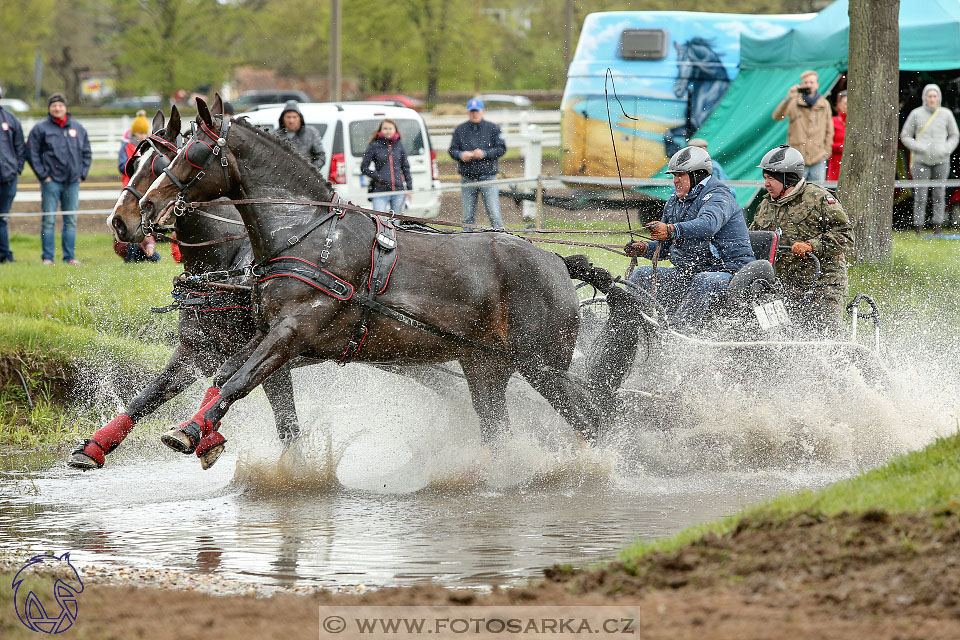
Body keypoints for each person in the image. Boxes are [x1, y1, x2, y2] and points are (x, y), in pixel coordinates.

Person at [623, 145, 755, 329]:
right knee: (642, 275)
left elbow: (708, 225)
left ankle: (678, 334)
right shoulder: (674, 202)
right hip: (690, 274)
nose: (675, 181)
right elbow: (665, 249)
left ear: (697, 175)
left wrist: (670, 229)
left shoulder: (718, 196)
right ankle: (629, 327)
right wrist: (645, 248)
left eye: (680, 175)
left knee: (704, 281)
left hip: (732, 274)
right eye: (674, 176)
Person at [750, 145, 854, 333]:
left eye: (771, 178)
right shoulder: (765, 204)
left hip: (822, 286)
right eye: (765, 178)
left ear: (788, 179)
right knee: (774, 335)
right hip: (780, 287)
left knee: (826, 338)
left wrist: (811, 246)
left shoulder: (819, 198)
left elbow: (845, 235)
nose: (766, 183)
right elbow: (753, 240)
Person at [27, 93, 91, 265]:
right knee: (49, 220)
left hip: (72, 182)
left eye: (60, 105)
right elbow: (31, 154)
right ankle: (48, 257)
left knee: (70, 220)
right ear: (50, 108)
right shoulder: (40, 128)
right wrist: (44, 176)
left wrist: (81, 174)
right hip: (51, 182)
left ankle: (69, 257)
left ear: (65, 107)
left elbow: (86, 152)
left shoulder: (77, 128)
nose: (57, 108)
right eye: (54, 106)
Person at [900, 83, 959, 234]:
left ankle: (937, 226)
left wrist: (946, 149)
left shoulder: (946, 114)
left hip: (941, 160)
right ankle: (918, 226)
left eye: (935, 96)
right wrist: (918, 147)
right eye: (929, 96)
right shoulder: (916, 114)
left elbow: (954, 135)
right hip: (921, 160)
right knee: (921, 194)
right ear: (924, 97)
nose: (932, 99)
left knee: (939, 194)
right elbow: (905, 136)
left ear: (938, 97)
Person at [448, 98, 507, 228]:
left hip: (488, 177)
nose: (475, 114)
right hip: (468, 178)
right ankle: (467, 244)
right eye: (472, 111)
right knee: (467, 217)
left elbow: (501, 148)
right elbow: (452, 150)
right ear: (468, 112)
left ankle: (501, 240)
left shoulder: (493, 128)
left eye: (477, 111)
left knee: (494, 215)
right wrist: (460, 155)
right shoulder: (460, 129)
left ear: (483, 111)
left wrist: (485, 154)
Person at [772, 70, 834, 182]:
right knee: (795, 190)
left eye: (811, 82)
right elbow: (777, 116)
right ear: (801, 85)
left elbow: (829, 130)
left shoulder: (824, 104)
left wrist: (826, 152)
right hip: (797, 157)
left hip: (818, 157)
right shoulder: (793, 102)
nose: (808, 85)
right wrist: (788, 98)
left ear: (817, 85)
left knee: (817, 192)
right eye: (805, 82)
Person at [361, 119, 412, 213]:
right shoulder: (374, 145)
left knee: (396, 222)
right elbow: (364, 167)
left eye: (390, 128)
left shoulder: (399, 145)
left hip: (398, 190)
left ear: (395, 130)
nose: (388, 131)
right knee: (379, 219)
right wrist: (378, 177)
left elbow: (405, 167)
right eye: (385, 128)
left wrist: (409, 188)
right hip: (380, 190)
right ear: (380, 130)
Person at [0, 84, 26, 263]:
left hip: (8, 177)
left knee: (2, 217)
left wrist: (17, 169)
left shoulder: (10, 119)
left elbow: (20, 147)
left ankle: (4, 254)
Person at [276, 101, 325, 169]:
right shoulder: (276, 135)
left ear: (300, 118)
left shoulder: (311, 133)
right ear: (283, 118)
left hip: (306, 177)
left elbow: (321, 156)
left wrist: (311, 170)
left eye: (294, 117)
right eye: (288, 117)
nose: (291, 121)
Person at [118, 110, 150, 187]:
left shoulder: (149, 147)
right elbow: (122, 167)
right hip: (130, 185)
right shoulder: (126, 146)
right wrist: (137, 167)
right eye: (140, 133)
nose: (143, 136)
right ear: (134, 133)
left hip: (145, 186)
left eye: (145, 133)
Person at [826, 91, 847, 182]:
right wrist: (842, 147)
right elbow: (826, 143)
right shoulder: (832, 121)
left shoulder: (858, 124)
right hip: (836, 162)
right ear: (839, 105)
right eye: (846, 103)